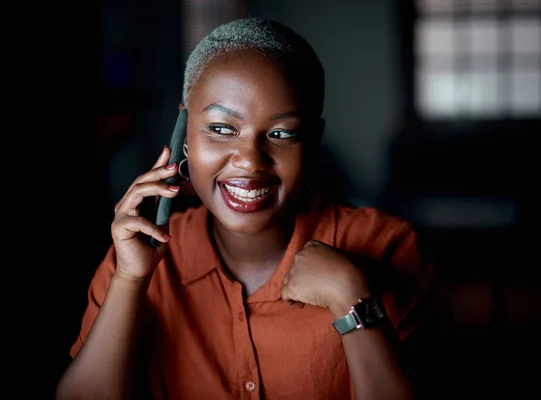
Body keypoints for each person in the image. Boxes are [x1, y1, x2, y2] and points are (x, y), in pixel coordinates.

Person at [56, 17, 453, 400]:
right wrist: (129, 279)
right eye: (221, 129)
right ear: (184, 136)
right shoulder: (136, 257)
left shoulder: (388, 247)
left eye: (281, 134)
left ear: (312, 142)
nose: (249, 160)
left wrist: (352, 300)